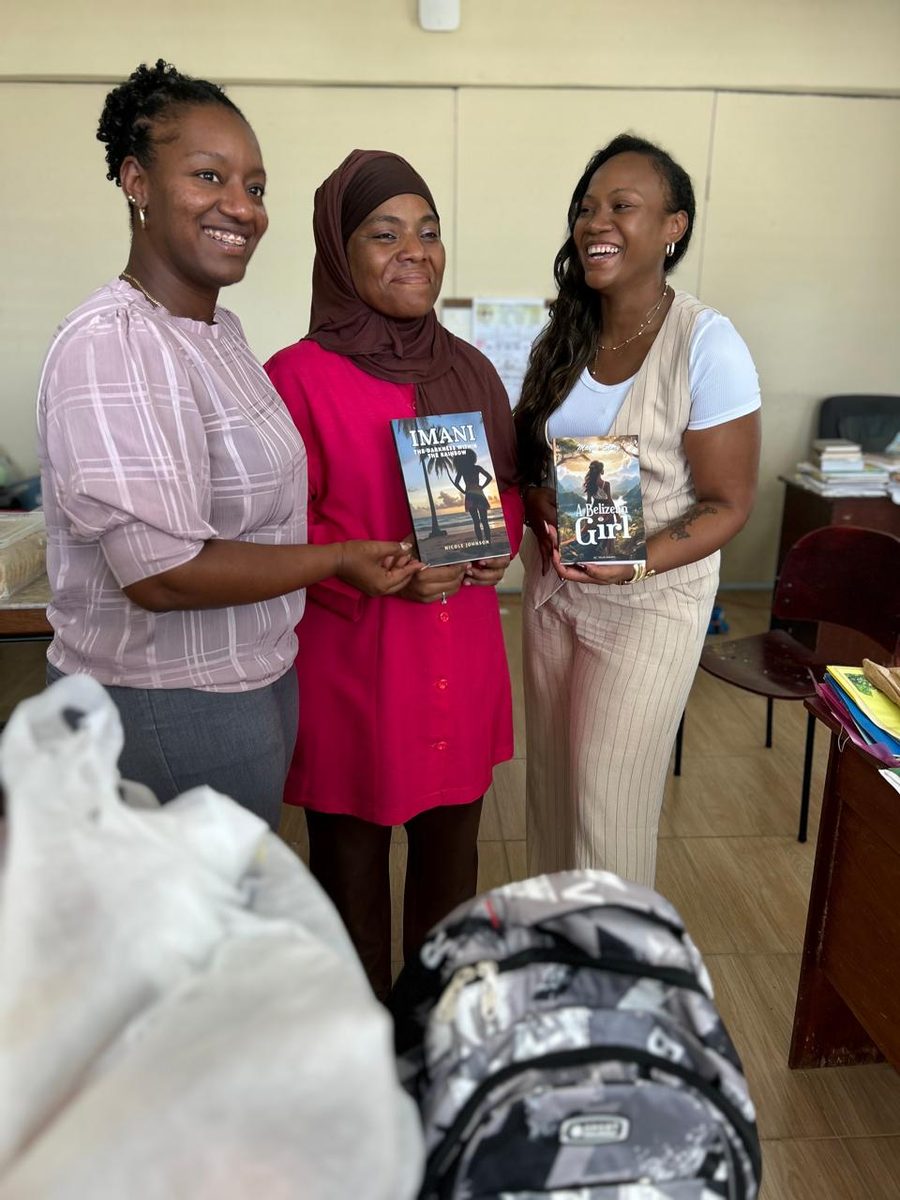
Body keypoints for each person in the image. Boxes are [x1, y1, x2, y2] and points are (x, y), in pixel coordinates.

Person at [36, 62, 418, 832]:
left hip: (254, 673)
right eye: (209, 177)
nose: (239, 207)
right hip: (166, 699)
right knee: (192, 935)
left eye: (255, 186)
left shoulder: (221, 334)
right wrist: (340, 559)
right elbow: (163, 574)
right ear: (136, 181)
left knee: (223, 917)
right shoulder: (115, 343)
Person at [265, 150, 523, 999]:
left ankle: (439, 1027)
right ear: (340, 251)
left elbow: (508, 490)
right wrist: (361, 569)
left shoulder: (470, 368)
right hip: (358, 668)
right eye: (385, 233)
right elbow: (270, 530)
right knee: (350, 877)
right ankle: (362, 1043)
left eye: (430, 231)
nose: (416, 250)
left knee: (453, 872)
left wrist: (500, 543)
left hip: (462, 658)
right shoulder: (294, 379)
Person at [515, 133, 761, 888]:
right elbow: (533, 462)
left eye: (623, 206)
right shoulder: (565, 332)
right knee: (553, 795)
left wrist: (637, 557)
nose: (597, 223)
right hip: (554, 593)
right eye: (587, 208)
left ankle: (618, 987)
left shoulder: (706, 343)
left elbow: (728, 504)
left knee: (606, 805)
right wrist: (536, 504)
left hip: (651, 603)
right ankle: (559, 956)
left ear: (673, 226)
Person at [453, 448, 493, 542]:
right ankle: (488, 542)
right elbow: (489, 477)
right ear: (472, 457)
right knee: (484, 521)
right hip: (479, 494)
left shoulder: (462, 470)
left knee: (476, 521)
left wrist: (463, 491)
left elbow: (456, 483)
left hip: (470, 495)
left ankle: (480, 542)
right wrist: (482, 487)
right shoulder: (476, 468)